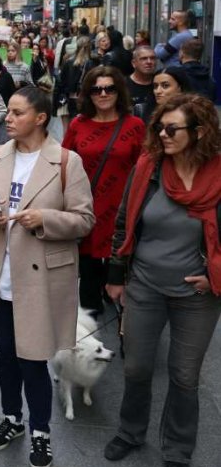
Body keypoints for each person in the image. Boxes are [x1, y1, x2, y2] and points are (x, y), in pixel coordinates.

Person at [0, 87, 95, 467]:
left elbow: (84, 219)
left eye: (17, 112)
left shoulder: (67, 162)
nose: (8, 118)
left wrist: (45, 220)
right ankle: (12, 419)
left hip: (38, 280)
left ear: (40, 118)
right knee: (6, 355)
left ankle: (41, 431)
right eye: (9, 112)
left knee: (33, 359)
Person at [104, 94, 221, 467]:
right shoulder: (149, 168)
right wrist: (116, 276)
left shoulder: (219, 176)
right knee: (136, 367)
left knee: (185, 377)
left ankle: (177, 450)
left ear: (199, 132)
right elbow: (124, 222)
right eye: (160, 127)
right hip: (144, 285)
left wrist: (214, 276)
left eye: (172, 128)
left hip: (197, 296)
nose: (163, 134)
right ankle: (131, 430)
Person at [62, 66, 145, 314]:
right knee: (88, 286)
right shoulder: (78, 125)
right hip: (86, 211)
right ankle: (90, 346)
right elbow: (63, 165)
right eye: (96, 89)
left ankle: (126, 340)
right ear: (88, 94)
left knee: (121, 285)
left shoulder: (135, 125)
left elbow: (144, 170)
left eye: (109, 88)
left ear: (119, 91)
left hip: (122, 214)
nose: (103, 93)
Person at [59, 37, 96, 122]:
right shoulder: (92, 63)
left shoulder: (68, 62)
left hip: (72, 97)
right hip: (87, 97)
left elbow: (62, 81)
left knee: (74, 121)